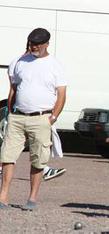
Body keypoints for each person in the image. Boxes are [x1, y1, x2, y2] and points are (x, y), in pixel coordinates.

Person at [0, 28, 67, 210]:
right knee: (7, 156)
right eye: (31, 44)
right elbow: (13, 88)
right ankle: (3, 197)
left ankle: (32, 198)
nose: (34, 47)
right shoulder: (19, 61)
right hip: (17, 116)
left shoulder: (55, 65)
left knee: (38, 159)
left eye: (37, 44)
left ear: (47, 44)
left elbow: (61, 94)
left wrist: (53, 117)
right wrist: (9, 112)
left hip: (41, 117)